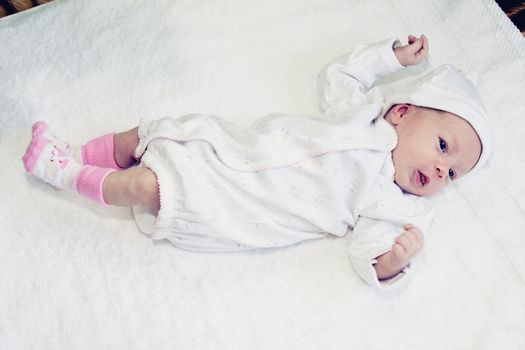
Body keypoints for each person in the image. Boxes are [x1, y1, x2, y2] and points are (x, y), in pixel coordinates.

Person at [22, 35, 492, 288]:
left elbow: (365, 252)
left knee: (147, 188)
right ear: (403, 112)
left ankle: (61, 172)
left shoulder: (390, 202)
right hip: (229, 147)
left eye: (452, 174)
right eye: (443, 147)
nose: (440, 171)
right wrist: (389, 57)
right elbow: (339, 74)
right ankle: (79, 153)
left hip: (241, 206)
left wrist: (391, 261)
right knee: (154, 130)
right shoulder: (361, 114)